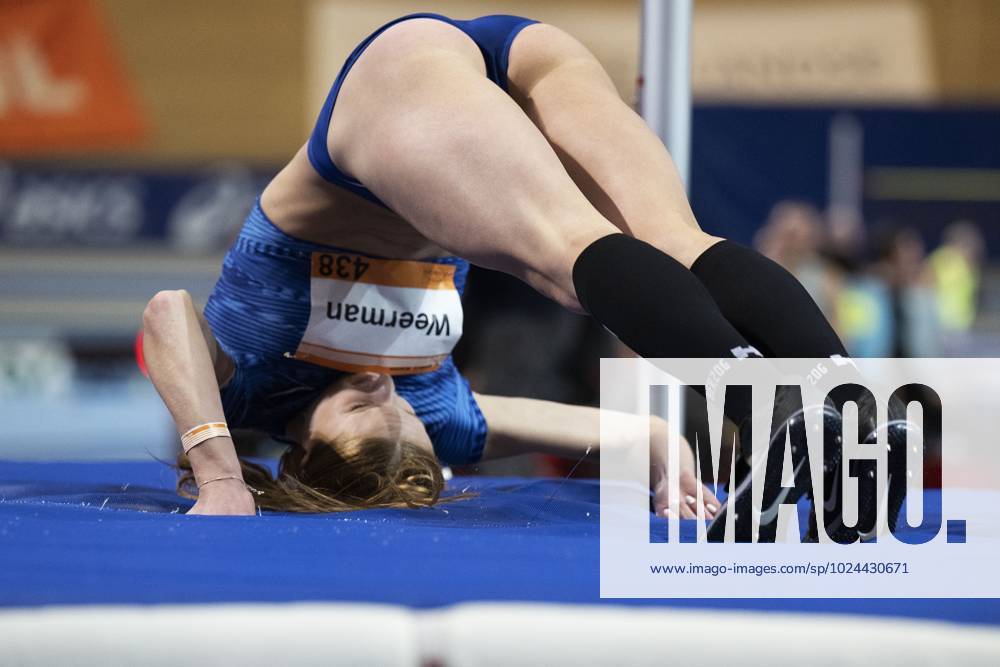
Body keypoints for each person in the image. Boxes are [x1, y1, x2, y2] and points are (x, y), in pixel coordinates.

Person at [142, 13, 877, 537]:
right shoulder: (440, 416)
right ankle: (854, 409)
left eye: (365, 415)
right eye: (407, 419)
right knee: (673, 240)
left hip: (391, 100)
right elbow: (633, 432)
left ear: (302, 450)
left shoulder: (248, 386)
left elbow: (166, 314)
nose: (385, 394)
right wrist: (665, 449)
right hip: (520, 57)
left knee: (566, 257)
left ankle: (762, 400)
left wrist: (220, 473)